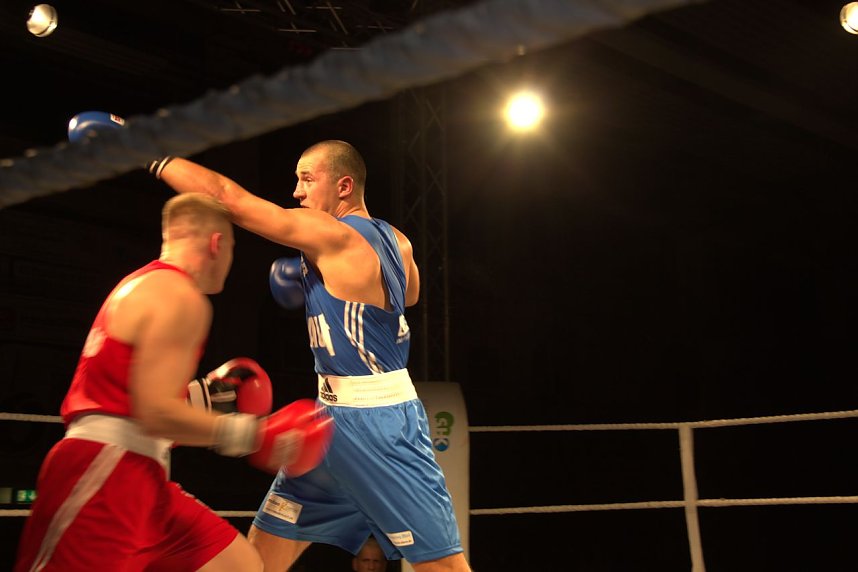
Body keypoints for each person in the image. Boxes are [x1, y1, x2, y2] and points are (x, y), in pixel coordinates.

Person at [148, 140, 471, 572]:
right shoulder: (400, 241)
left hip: (379, 428)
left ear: (343, 186)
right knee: (260, 557)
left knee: (443, 567)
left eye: (307, 178)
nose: (297, 192)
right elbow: (408, 295)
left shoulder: (333, 235)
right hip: (325, 428)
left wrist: (150, 155)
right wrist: (324, 286)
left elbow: (230, 200)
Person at [14, 193, 331, 572]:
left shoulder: (143, 284)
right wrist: (254, 435)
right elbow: (153, 412)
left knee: (239, 565)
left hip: (144, 471)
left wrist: (203, 398)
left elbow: (137, 398)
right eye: (232, 246)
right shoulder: (180, 296)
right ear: (217, 243)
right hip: (104, 469)